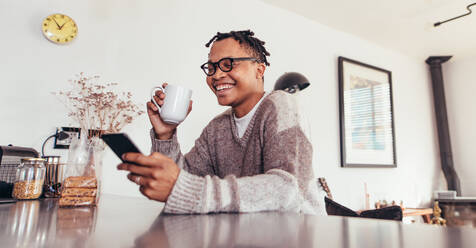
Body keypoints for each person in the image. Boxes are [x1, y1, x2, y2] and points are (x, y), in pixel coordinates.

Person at [117, 30, 326, 215]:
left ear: (259, 70)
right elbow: (184, 177)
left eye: (228, 64)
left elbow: (288, 189)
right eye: (211, 67)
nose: (216, 75)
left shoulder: (282, 104)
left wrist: (188, 190)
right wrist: (166, 135)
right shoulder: (217, 128)